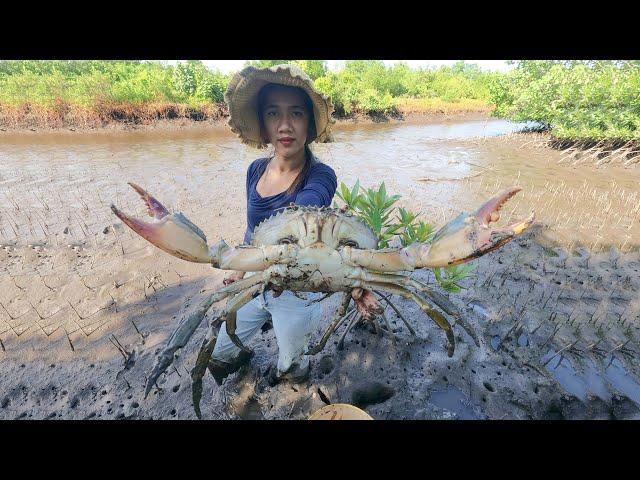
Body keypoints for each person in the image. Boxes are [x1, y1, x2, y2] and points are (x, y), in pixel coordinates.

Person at [208, 64, 337, 385]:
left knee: (291, 368)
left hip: (297, 290)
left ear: (309, 124)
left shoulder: (320, 176)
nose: (285, 125)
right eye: (272, 114)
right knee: (219, 354)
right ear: (263, 127)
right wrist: (239, 268)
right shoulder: (254, 170)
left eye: (296, 113)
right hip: (258, 279)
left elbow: (308, 207)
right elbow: (253, 227)